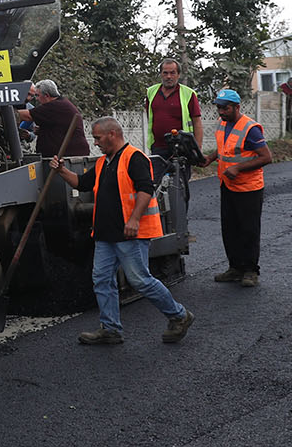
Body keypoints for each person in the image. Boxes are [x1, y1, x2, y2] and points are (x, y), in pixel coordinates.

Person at [50, 117, 195, 345]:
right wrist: (61, 171)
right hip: (105, 235)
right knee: (102, 280)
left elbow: (145, 190)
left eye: (98, 137)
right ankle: (110, 329)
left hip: (130, 233)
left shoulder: (134, 158)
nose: (95, 142)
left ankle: (179, 315)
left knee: (140, 280)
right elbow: (81, 183)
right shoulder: (102, 163)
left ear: (112, 134)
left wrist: (134, 219)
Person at [199, 89, 273, 287]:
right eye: (219, 108)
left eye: (226, 108)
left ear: (237, 107)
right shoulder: (223, 124)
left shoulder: (250, 128)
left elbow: (266, 157)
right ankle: (235, 268)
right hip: (227, 184)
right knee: (229, 228)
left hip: (249, 188)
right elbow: (225, 148)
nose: (221, 112)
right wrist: (211, 158)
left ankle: (250, 271)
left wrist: (239, 167)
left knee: (248, 230)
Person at [17, 79, 89, 158]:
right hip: (67, 154)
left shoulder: (54, 107)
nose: (36, 99)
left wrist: (3, 111)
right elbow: (59, 127)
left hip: (69, 156)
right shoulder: (61, 104)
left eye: (37, 95)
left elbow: (23, 115)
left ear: (46, 96)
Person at [146, 59, 203, 157]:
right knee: (157, 172)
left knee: (180, 172)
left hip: (182, 147)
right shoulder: (151, 92)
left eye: (172, 73)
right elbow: (150, 116)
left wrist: (197, 149)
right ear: (160, 74)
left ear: (178, 75)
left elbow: (197, 122)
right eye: (165, 73)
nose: (169, 76)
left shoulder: (188, 94)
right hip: (158, 147)